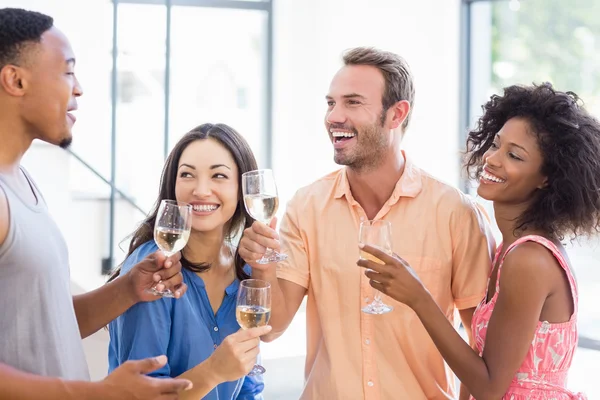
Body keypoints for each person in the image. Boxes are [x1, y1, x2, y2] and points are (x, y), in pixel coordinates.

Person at [0, 7, 267, 400]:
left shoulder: (22, 183)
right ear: (15, 79)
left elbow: (46, 320)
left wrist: (127, 289)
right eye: (68, 71)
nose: (78, 89)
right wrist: (95, 394)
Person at [239, 46, 496, 399]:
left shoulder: (455, 213)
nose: (334, 116)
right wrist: (262, 267)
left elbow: (479, 347)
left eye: (353, 103)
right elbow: (272, 328)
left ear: (396, 114)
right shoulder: (307, 206)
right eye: (330, 103)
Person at [358, 83, 599, 399]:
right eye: (496, 144)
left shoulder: (529, 259)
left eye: (514, 155)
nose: (493, 159)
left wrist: (418, 297)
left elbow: (489, 387)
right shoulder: (510, 248)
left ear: (547, 178)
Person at [108, 123, 268, 400]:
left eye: (218, 175)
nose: (201, 190)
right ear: (172, 184)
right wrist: (213, 372)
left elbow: (247, 384)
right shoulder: (152, 272)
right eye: (187, 175)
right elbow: (137, 395)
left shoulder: (245, 268)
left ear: (244, 188)